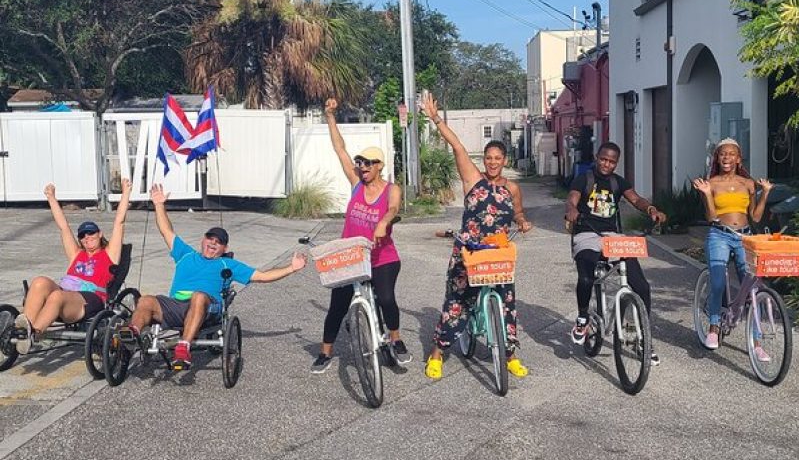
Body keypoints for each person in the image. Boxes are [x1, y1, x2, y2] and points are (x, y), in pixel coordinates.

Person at [122, 184, 306, 370]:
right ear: (203, 239)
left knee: (199, 295)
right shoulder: (185, 254)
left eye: (218, 242)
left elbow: (263, 276)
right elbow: (166, 231)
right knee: (145, 300)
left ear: (224, 249)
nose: (213, 243)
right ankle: (132, 334)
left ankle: (183, 347)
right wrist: (159, 205)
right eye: (210, 239)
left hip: (208, 308)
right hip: (176, 306)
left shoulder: (228, 264)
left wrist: (291, 268)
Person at [421, 91, 533, 380]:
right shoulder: (473, 179)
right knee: (456, 302)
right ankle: (437, 355)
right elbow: (456, 145)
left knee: (507, 303)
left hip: (498, 254)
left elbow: (518, 213)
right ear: (483, 159)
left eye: (498, 158)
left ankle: (509, 356)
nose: (493, 162)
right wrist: (435, 119)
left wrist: (522, 222)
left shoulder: (512, 188)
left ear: (504, 160)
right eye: (489, 158)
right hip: (468, 252)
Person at [311, 98, 408, 374]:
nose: (362, 166)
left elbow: (392, 209)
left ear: (379, 165)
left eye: (368, 163)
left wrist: (384, 222)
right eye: (360, 162)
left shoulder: (392, 188)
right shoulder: (356, 184)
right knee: (337, 308)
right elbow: (339, 149)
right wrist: (330, 116)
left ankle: (396, 339)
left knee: (387, 299)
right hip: (351, 255)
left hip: (382, 256)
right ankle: (325, 352)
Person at [565, 141, 667, 364]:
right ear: (596, 157)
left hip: (613, 237)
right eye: (603, 159)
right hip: (587, 235)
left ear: (616, 163)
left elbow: (635, 198)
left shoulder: (617, 182)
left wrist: (650, 209)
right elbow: (572, 197)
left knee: (641, 286)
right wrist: (571, 209)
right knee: (586, 276)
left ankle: (644, 341)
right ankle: (583, 318)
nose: (606, 164)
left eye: (611, 161)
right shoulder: (584, 178)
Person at [9, 179, 133, 354]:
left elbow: (119, 223)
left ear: (100, 234)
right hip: (64, 294)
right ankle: (24, 329)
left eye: (91, 233)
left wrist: (126, 193)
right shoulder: (77, 254)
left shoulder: (109, 254)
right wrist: (51, 197)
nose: (87, 237)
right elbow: (63, 227)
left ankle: (35, 333)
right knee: (39, 282)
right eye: (83, 235)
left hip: (90, 298)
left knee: (57, 296)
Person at [692, 137, 773, 357]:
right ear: (717, 158)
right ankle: (714, 327)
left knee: (753, 289)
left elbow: (755, 217)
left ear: (738, 158)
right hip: (720, 235)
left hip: (745, 238)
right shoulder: (712, 183)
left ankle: (757, 343)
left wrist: (765, 193)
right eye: (722, 154)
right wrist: (707, 194)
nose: (726, 157)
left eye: (731, 154)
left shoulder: (748, 184)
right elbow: (711, 217)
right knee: (718, 283)